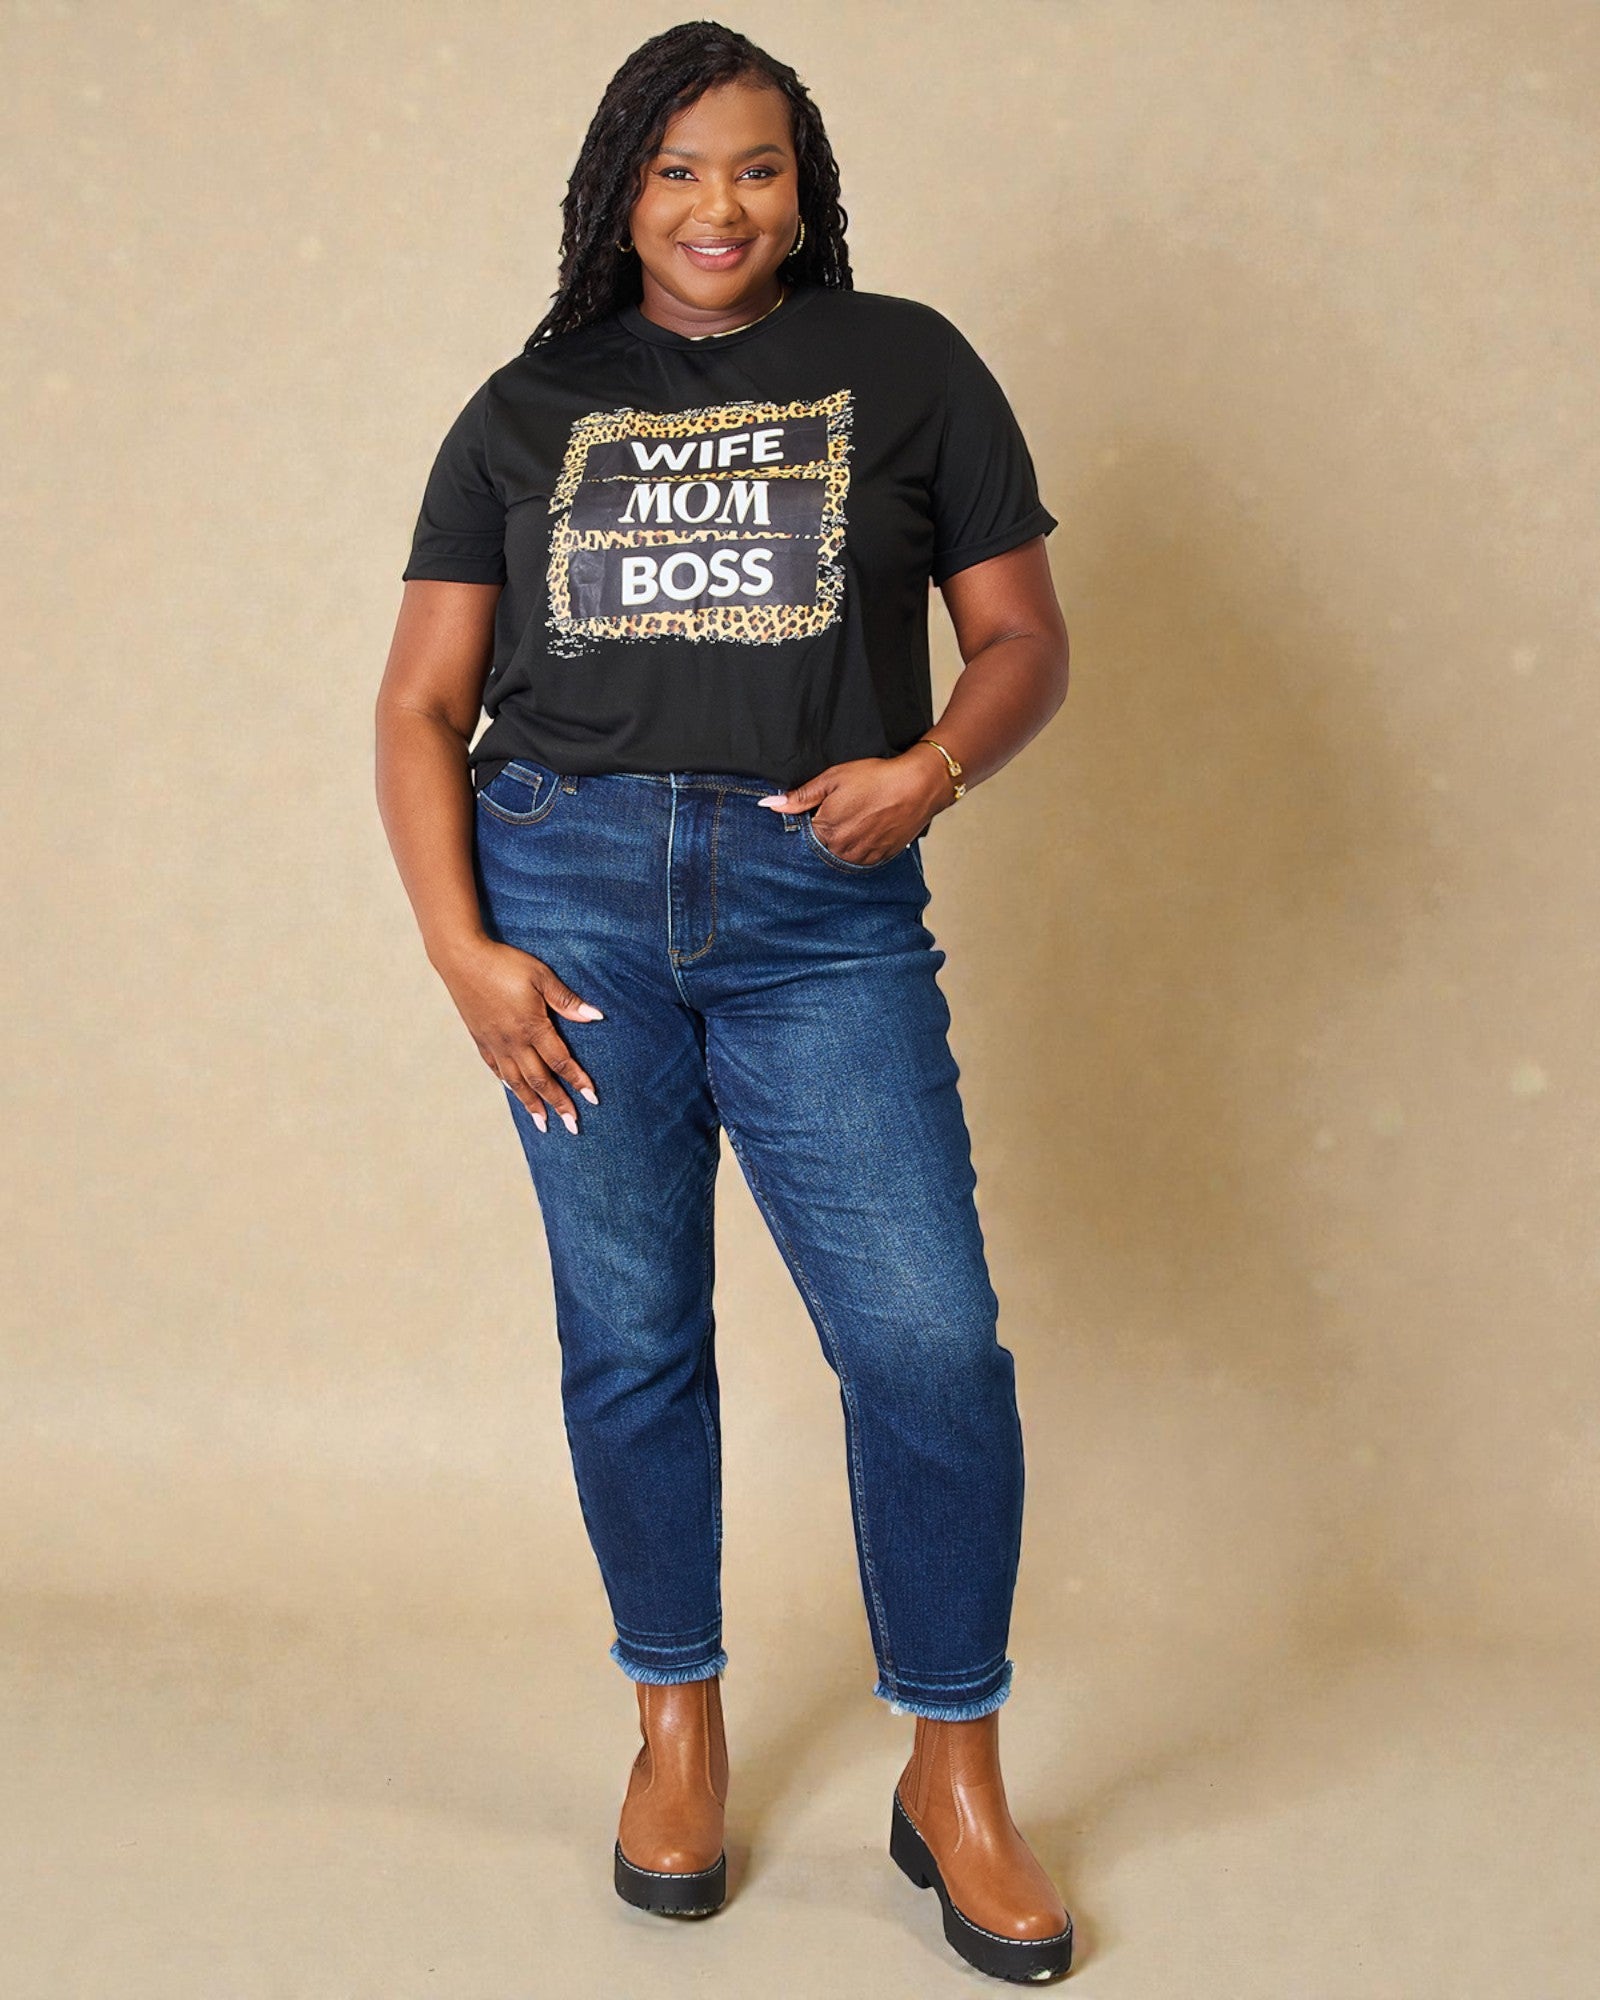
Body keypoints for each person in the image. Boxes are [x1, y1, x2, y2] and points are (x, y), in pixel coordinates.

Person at [375, 20, 1074, 1984]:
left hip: (813, 907)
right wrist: (458, 945)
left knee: (928, 1347)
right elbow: (421, 702)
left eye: (753, 166)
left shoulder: (906, 367)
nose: (714, 206)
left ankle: (954, 1772)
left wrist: (929, 765)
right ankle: (671, 1724)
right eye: (674, 170)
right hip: (567, 904)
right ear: (618, 191)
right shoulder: (526, 407)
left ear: (803, 185)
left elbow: (1020, 637)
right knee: (630, 1338)